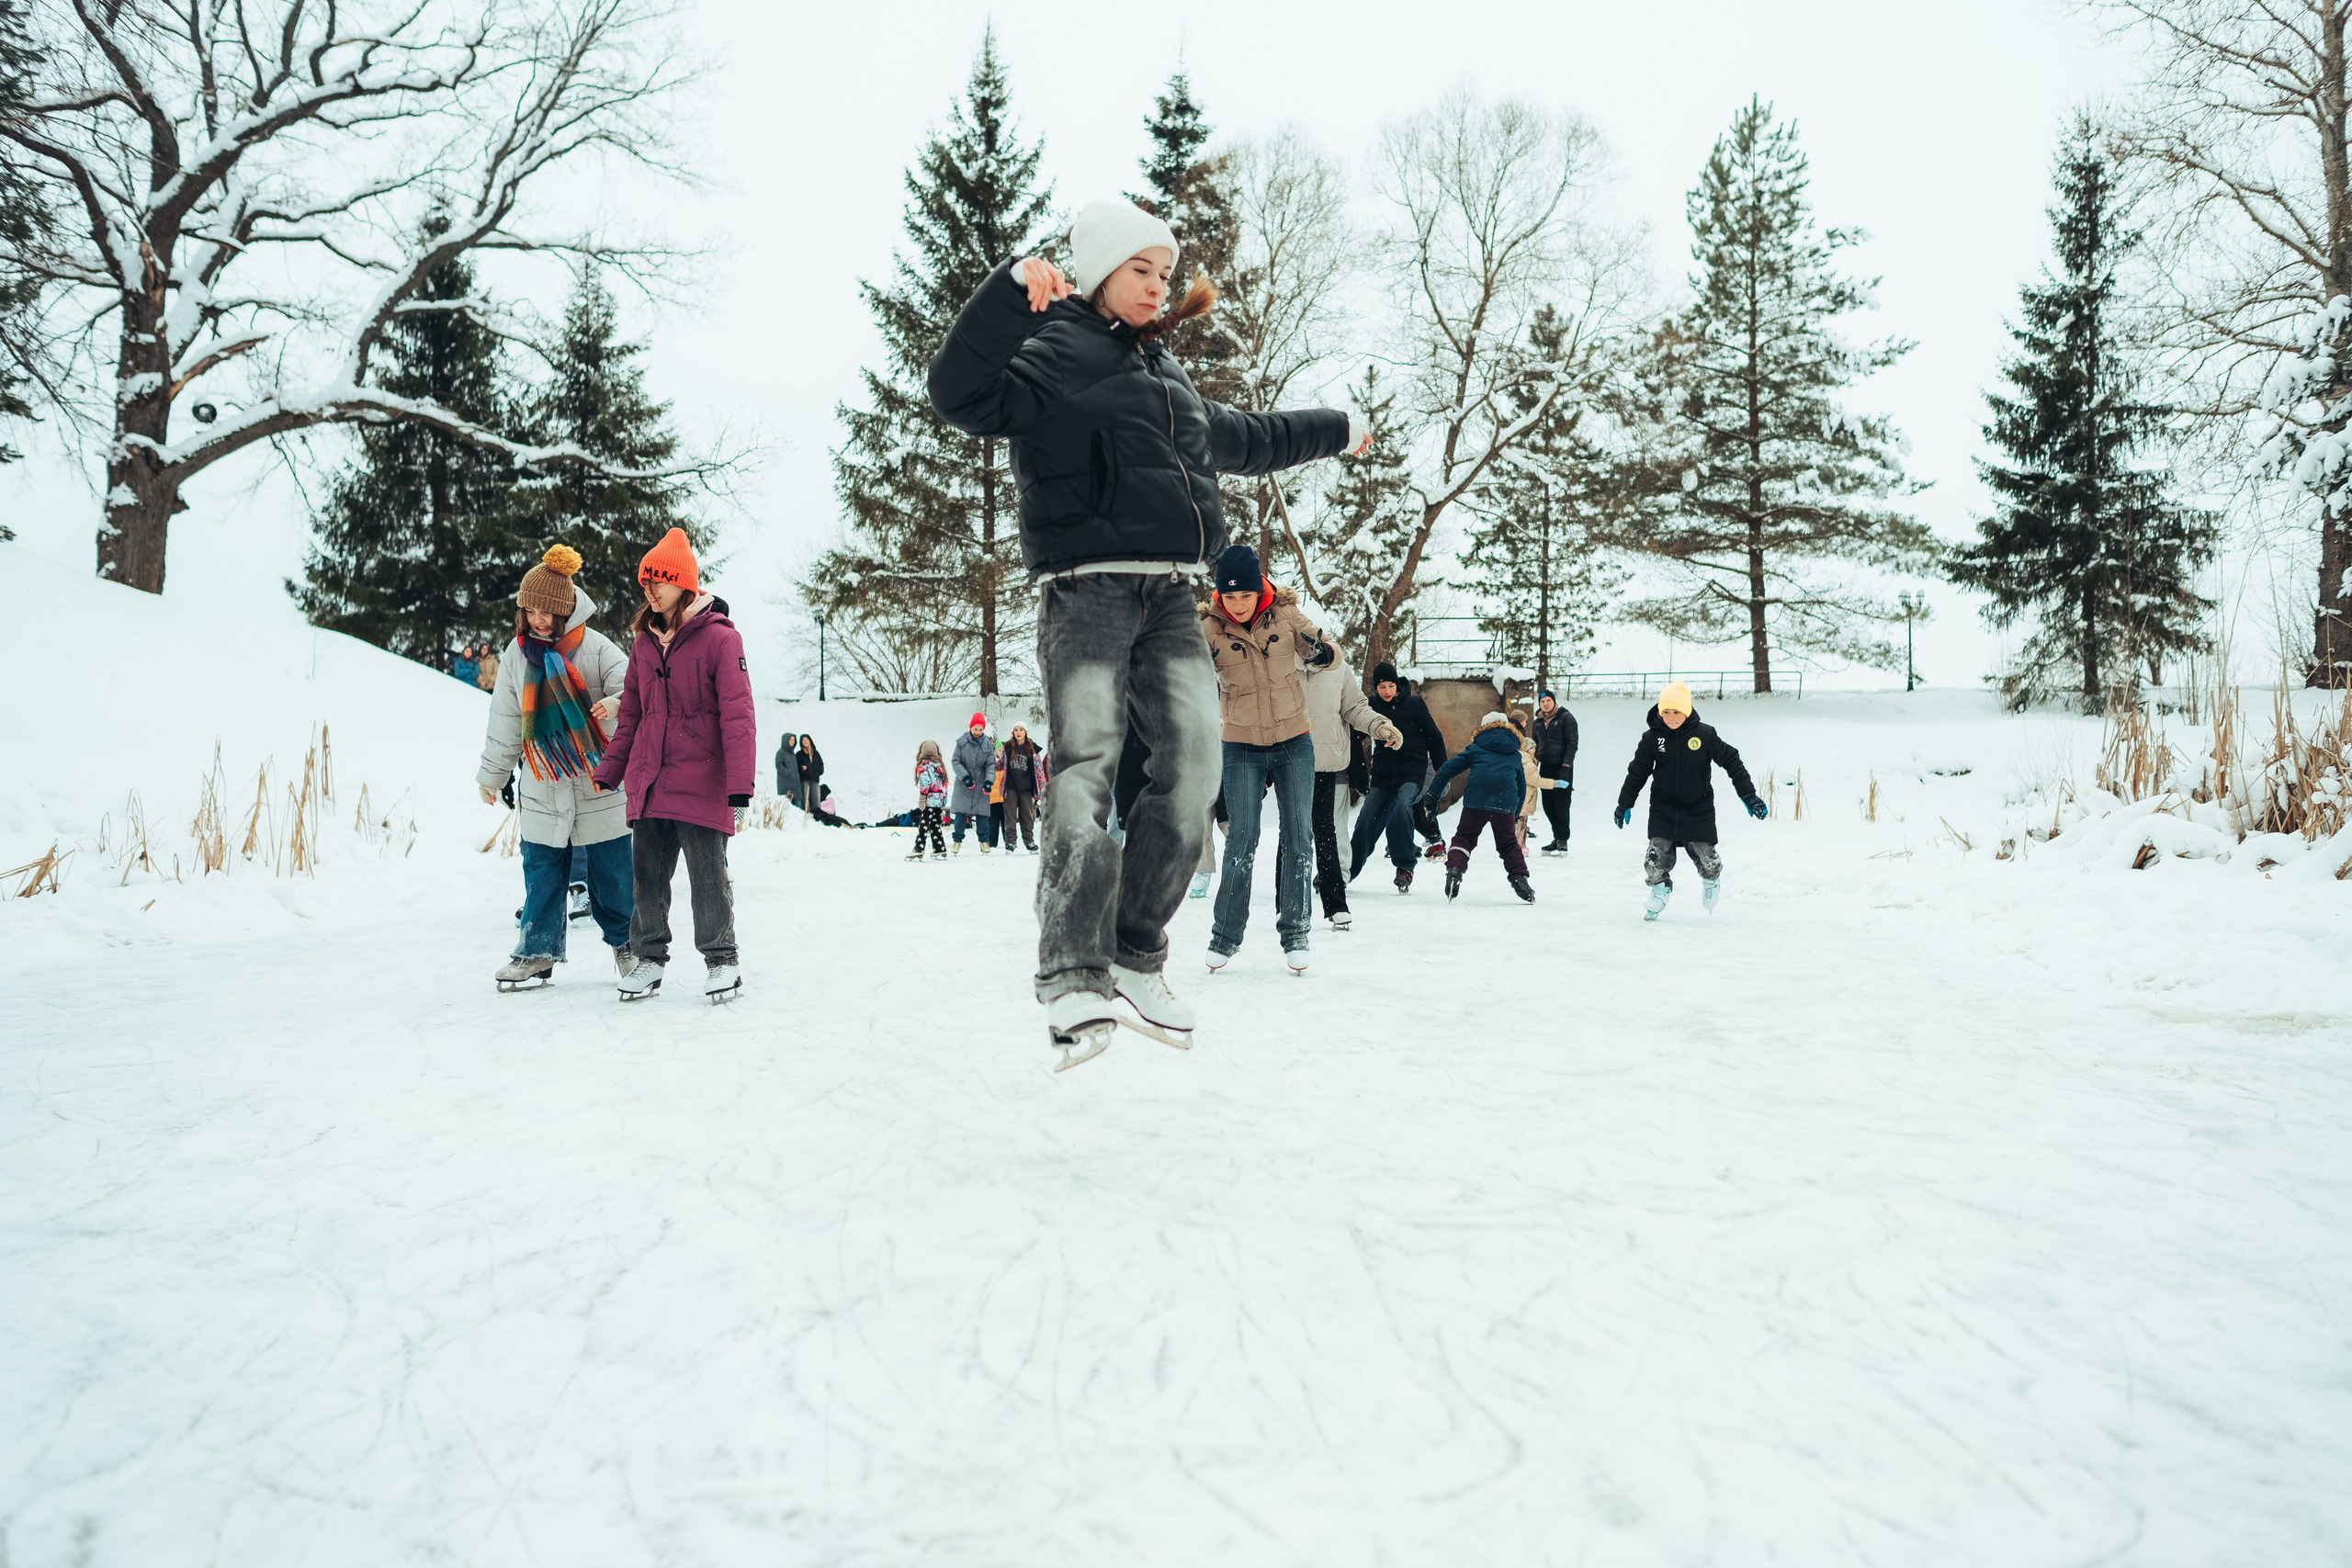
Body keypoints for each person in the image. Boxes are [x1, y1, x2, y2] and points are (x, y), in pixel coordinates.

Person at [928, 196, 1369, 1066]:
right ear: (1099, 269)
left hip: (1173, 595)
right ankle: (1071, 973)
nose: (1159, 286)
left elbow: (1247, 436)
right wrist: (1009, 292)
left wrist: (1334, 428)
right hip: (1086, 589)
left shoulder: (1167, 379)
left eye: (1167, 274)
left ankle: (1132, 950)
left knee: (1197, 766)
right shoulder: (1052, 350)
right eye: (1142, 269)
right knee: (1088, 768)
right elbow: (959, 393)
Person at [591, 527, 757, 1000]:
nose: (651, 590)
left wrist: (740, 788)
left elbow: (739, 717)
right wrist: (611, 769)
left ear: (684, 583)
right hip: (651, 779)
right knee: (646, 877)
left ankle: (722, 960)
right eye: (647, 582)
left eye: (660, 581)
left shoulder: (722, 641)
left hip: (704, 778)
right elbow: (633, 715)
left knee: (708, 877)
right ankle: (648, 960)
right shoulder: (644, 644)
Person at [474, 546, 633, 988]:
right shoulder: (515, 655)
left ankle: (629, 947)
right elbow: (505, 719)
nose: (541, 619)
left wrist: (615, 704)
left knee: (614, 875)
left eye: (550, 611)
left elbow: (636, 693)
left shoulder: (596, 648)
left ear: (567, 611)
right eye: (532, 610)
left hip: (598, 783)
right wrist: (493, 774)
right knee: (541, 870)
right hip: (543, 784)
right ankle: (537, 951)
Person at [1198, 544, 1333, 975]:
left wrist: (1323, 652)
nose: (1237, 605)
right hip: (1240, 744)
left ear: (1260, 591)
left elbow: (1325, 646)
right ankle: (1225, 936)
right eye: (1229, 597)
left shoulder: (1288, 615)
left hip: (1294, 740)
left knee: (1298, 834)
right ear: (1220, 595)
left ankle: (1295, 933)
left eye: (1245, 596)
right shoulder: (1207, 628)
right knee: (1242, 838)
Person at [1614, 680, 1765, 920]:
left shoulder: (1704, 735)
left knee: (1707, 857)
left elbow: (1731, 760)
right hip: (1663, 807)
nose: (1671, 717)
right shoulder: (1652, 738)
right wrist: (1625, 803)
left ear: (1686, 711)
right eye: (1666, 712)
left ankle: (1711, 880)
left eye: (1676, 712)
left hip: (1698, 807)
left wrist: (1748, 794)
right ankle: (1659, 889)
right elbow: (1637, 772)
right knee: (1655, 855)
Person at [1303, 629, 1401, 931]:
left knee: (1329, 828)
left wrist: (1381, 726)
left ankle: (1337, 894)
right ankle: (1289, 900)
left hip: (1330, 765)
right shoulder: (1281, 662)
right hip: (1290, 761)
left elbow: (1355, 707)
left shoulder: (1339, 668)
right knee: (1292, 833)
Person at [1347, 663, 1448, 893]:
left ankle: (1404, 867)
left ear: (1397, 684)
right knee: (1365, 820)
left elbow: (1434, 737)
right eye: (1381, 686)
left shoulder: (1414, 704)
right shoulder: (1371, 707)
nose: (1387, 691)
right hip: (1383, 774)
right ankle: (1346, 872)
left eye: (1391, 685)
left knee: (1401, 809)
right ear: (1376, 688)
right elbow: (1358, 734)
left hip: (1412, 772)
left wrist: (1443, 771)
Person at [1429, 710, 1536, 903]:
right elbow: (1521, 787)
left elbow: (1446, 770)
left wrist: (1432, 795)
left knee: (1464, 837)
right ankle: (1520, 880)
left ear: (1483, 728)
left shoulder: (1476, 748)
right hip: (1505, 800)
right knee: (1508, 844)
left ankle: (1455, 869)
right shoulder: (1514, 754)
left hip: (1476, 800)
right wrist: (1515, 813)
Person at [1532, 690, 1578, 852]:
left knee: (1562, 804)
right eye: (1542, 701)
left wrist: (1566, 767)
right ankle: (1556, 836)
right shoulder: (1537, 722)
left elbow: (1572, 744)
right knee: (1548, 805)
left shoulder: (1566, 718)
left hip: (1562, 768)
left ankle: (1563, 840)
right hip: (1545, 768)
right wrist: (1532, 767)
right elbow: (1534, 746)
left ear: (1554, 701)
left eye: (1548, 701)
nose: (1545, 704)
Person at [947, 713, 998, 853]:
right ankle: (957, 841)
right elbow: (955, 761)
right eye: (975, 729)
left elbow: (990, 765)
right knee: (960, 814)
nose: (978, 732)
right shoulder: (962, 742)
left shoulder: (987, 743)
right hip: (964, 785)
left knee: (982, 815)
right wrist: (965, 777)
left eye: (981, 729)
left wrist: (988, 781)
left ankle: (984, 842)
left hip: (980, 784)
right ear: (971, 727)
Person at [997, 723, 1048, 852]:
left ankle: (1029, 841)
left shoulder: (1032, 748)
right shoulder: (1008, 747)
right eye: (1016, 730)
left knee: (1027, 816)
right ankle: (1010, 842)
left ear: (1025, 732)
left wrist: (1042, 789)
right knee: (1010, 816)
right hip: (1010, 787)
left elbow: (1039, 770)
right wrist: (988, 764)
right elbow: (1000, 764)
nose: (1018, 732)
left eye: (1021, 730)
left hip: (1026, 788)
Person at [910, 739, 950, 860]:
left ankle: (918, 848)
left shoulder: (924, 767)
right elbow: (944, 786)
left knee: (924, 826)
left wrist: (922, 799)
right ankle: (939, 848)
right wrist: (943, 801)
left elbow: (924, 784)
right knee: (935, 825)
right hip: (939, 802)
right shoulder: (940, 767)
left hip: (928, 801)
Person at [795, 733, 825, 816]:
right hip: (805, 779)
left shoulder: (816, 753)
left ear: (810, 741)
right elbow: (796, 766)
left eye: (806, 740)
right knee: (805, 798)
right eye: (803, 740)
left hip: (815, 779)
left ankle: (816, 813)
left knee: (816, 797)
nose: (805, 742)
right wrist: (802, 768)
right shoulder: (799, 754)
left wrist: (820, 771)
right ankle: (806, 814)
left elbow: (821, 764)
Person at [775, 730, 803, 805]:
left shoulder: (792, 754)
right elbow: (778, 765)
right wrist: (788, 773)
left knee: (797, 813)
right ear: (786, 741)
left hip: (795, 788)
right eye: (791, 740)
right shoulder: (780, 752)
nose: (793, 741)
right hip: (786, 788)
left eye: (794, 740)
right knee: (788, 812)